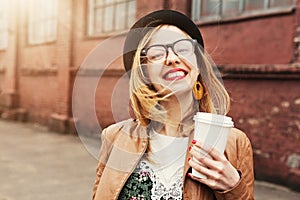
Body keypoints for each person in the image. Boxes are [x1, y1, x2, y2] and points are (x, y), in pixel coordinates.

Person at [92, 10, 254, 200]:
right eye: (157, 53)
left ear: (198, 64)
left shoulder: (234, 143)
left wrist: (233, 188)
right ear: (144, 73)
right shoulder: (114, 137)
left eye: (184, 49)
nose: (172, 58)